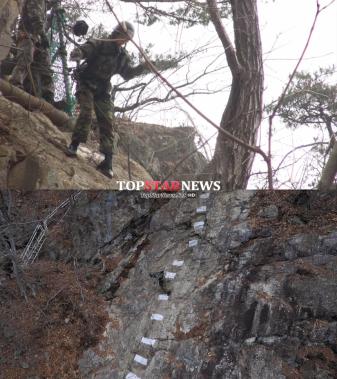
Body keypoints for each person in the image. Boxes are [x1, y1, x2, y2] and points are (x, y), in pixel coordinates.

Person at [66, 21, 150, 179]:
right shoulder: (101, 43)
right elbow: (85, 50)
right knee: (86, 111)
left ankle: (108, 162)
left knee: (107, 121)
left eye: (128, 39)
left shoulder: (122, 56)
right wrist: (78, 53)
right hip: (87, 83)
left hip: (103, 89)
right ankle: (74, 145)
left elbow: (127, 74)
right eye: (124, 37)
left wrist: (142, 67)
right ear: (117, 33)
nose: (125, 41)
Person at [9, 0, 54, 103]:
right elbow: (35, 16)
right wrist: (43, 35)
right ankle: (15, 82)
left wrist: (52, 10)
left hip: (36, 39)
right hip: (26, 35)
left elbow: (45, 11)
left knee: (42, 67)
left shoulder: (44, 4)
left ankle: (45, 95)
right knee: (25, 59)